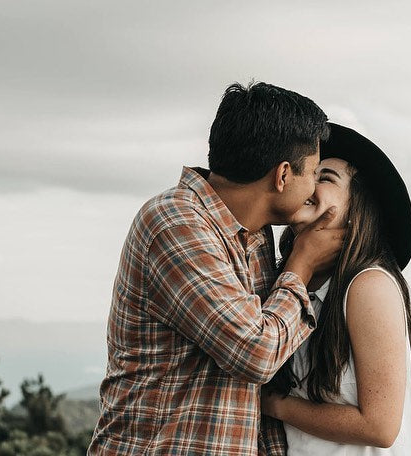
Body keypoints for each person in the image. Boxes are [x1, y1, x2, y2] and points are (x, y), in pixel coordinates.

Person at [88, 82, 345, 455]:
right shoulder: (175, 224)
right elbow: (256, 353)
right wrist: (301, 266)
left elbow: (249, 395)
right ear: (283, 175)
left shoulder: (254, 235)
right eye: (313, 173)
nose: (313, 189)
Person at [261, 123, 411, 455]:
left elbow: (380, 427)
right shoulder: (292, 282)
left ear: (358, 209)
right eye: (311, 174)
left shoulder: (368, 285)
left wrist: (274, 405)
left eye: (325, 178)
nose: (310, 183)